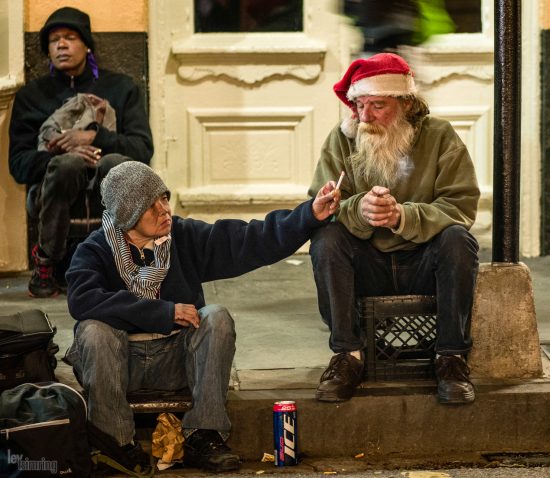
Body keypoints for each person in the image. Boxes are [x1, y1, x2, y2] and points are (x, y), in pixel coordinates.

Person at [63, 161, 340, 473]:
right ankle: (114, 445)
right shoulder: (95, 250)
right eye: (151, 206)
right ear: (127, 215)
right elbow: (82, 299)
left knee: (216, 317)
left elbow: (249, 239)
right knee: (93, 330)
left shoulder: (181, 237)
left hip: (175, 363)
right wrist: (164, 313)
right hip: (120, 364)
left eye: (164, 199)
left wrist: (308, 215)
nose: (164, 210)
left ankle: (203, 436)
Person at [308, 53, 480, 405]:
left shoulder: (440, 136)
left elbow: (461, 207)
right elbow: (321, 207)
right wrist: (360, 209)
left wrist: (403, 216)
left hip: (422, 262)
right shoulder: (342, 140)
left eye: (378, 106)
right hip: (367, 262)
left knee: (458, 241)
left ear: (406, 103)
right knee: (325, 239)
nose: (365, 117)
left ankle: (450, 358)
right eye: (359, 105)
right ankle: (347, 356)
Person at [8, 6, 154, 298]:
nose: (61, 44)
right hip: (58, 187)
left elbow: (142, 149)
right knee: (68, 167)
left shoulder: (121, 88)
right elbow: (19, 165)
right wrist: (61, 154)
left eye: (70, 37)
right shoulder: (32, 97)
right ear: (48, 50)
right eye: (54, 40)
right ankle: (47, 261)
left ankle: (123, 259)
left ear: (87, 45)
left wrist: (93, 138)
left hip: (106, 182)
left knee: (114, 162)